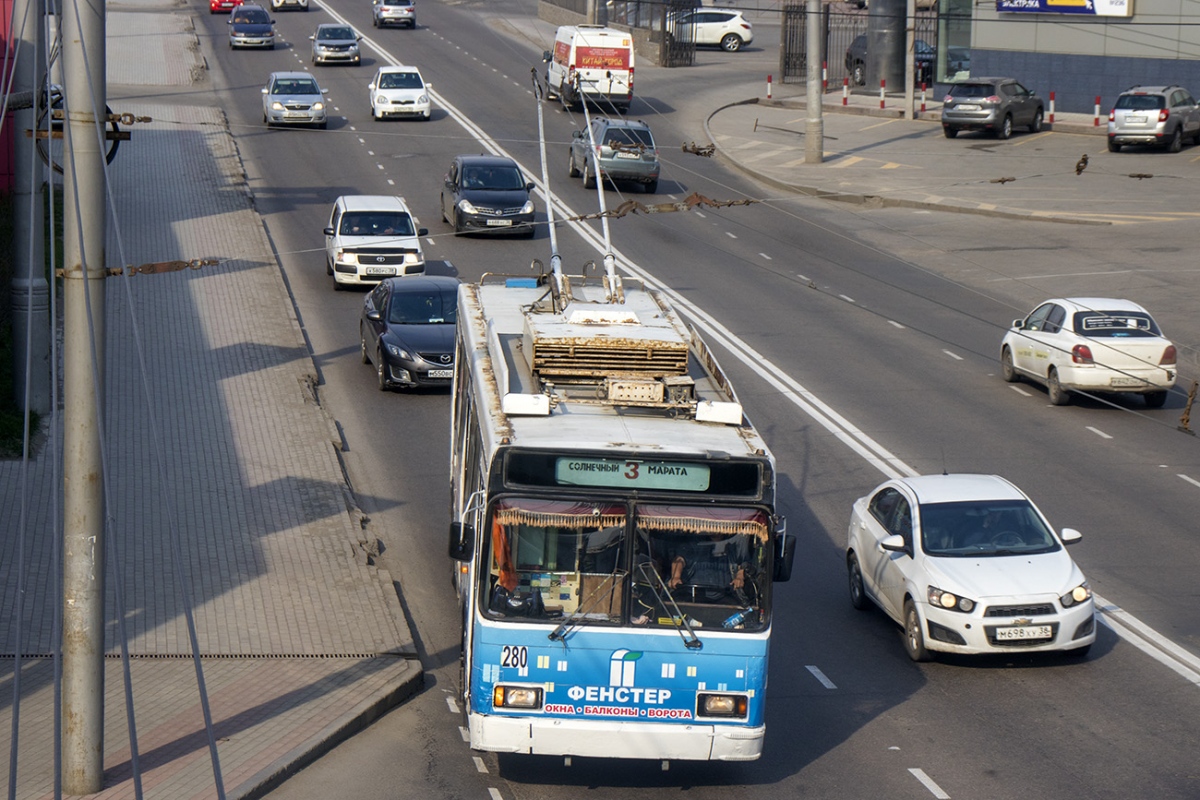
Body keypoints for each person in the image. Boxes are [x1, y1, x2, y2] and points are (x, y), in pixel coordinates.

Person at [667, 532, 748, 601]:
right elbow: (680, 559)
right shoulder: (695, 543)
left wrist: (739, 577)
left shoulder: (733, 543)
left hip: (725, 596)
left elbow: (742, 563)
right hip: (694, 596)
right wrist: (676, 577)